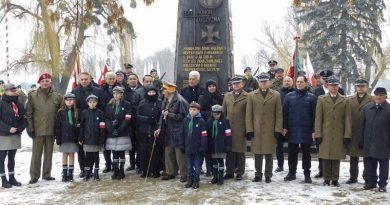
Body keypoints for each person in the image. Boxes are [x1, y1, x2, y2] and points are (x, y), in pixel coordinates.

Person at [246, 72, 283, 183]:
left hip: (270, 129)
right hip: (256, 129)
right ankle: (258, 174)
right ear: (258, 82)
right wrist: (249, 129)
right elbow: (249, 114)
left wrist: (278, 129)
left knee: (269, 153)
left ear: (269, 82)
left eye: (265, 81)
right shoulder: (251, 95)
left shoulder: (276, 95)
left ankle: (268, 174)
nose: (263, 83)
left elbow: (279, 114)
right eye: (261, 81)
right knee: (257, 153)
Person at [26, 73, 63, 184]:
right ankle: (34, 176)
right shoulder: (32, 96)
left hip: (51, 129)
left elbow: (60, 114)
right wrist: (30, 128)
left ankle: (47, 174)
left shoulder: (57, 96)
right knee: (36, 154)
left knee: (48, 153)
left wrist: (58, 129)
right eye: (43, 81)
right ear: (39, 83)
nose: (45, 83)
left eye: (47, 81)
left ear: (50, 82)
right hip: (38, 129)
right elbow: (29, 113)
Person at [315, 77, 351, 187]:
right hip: (325, 133)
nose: (334, 87)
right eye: (331, 85)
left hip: (339, 133)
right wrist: (318, 134)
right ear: (328, 86)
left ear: (338, 86)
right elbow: (318, 118)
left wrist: (347, 135)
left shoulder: (345, 100)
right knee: (325, 156)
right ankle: (326, 179)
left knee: (336, 157)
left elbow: (347, 119)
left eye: (335, 85)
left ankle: (335, 179)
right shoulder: (321, 99)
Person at [283, 76, 317, 183]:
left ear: (306, 83)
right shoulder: (289, 96)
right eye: (297, 82)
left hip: (306, 130)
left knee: (306, 154)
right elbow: (284, 113)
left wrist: (314, 130)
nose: (299, 84)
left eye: (301, 82)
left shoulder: (312, 98)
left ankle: (307, 174)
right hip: (292, 129)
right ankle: (291, 173)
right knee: (292, 153)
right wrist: (284, 127)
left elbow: (314, 116)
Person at [154, 82, 189, 182]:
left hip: (178, 131)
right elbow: (162, 115)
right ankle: (170, 172)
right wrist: (159, 127)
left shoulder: (180, 101)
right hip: (168, 130)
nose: (163, 92)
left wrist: (170, 114)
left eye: (164, 90)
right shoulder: (166, 99)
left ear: (170, 91)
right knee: (168, 152)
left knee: (179, 154)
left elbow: (183, 117)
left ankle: (184, 174)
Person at [313, 70, 345, 179]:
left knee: (336, 154)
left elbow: (345, 114)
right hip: (324, 128)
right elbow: (317, 114)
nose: (326, 81)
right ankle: (323, 173)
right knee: (323, 152)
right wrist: (316, 132)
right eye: (324, 79)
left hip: (337, 129)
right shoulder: (318, 93)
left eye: (328, 79)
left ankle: (334, 177)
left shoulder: (342, 94)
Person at [360, 87, 390, 192]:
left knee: (384, 166)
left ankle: (382, 184)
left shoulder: (389, 109)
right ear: (374, 96)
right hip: (369, 142)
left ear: (385, 96)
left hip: (384, 143)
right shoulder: (367, 108)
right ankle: (371, 183)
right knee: (369, 164)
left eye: (381, 95)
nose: (378, 97)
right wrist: (361, 140)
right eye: (377, 95)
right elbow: (362, 126)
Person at [71, 72, 101, 178]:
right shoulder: (74, 92)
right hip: (81, 124)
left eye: (86, 79)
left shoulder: (97, 90)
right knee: (81, 148)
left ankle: (92, 169)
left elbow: (100, 106)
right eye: (82, 79)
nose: (84, 81)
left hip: (94, 123)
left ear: (90, 79)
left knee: (92, 149)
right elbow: (72, 108)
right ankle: (83, 169)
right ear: (79, 80)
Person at [346, 79, 372, 185]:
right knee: (353, 156)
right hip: (353, 132)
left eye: (362, 86)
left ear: (366, 87)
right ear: (356, 87)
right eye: (358, 86)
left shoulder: (372, 99)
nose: (360, 88)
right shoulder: (349, 99)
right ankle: (353, 176)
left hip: (366, 132)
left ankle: (367, 177)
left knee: (367, 157)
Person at [0, 84, 26, 188]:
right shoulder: (1, 103)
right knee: (2, 158)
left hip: (15, 134)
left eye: (15, 90)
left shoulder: (18, 103)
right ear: (6, 91)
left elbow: (23, 117)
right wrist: (8, 128)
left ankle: (12, 178)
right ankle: (3, 179)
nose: (14, 91)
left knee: (12, 157)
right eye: (12, 90)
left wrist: (20, 128)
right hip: (3, 134)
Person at [222, 76, 248, 181]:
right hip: (228, 128)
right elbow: (223, 112)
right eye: (234, 84)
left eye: (238, 83)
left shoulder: (247, 96)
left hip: (241, 128)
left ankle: (239, 172)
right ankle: (229, 171)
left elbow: (248, 114)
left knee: (240, 151)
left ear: (242, 84)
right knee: (229, 151)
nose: (236, 85)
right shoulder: (227, 96)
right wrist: (222, 126)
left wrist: (248, 129)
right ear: (231, 85)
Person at [105, 86, 133, 180]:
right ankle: (116, 170)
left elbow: (127, 118)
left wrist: (119, 129)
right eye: (114, 93)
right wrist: (111, 129)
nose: (116, 95)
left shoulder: (127, 104)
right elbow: (107, 118)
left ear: (121, 94)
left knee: (121, 151)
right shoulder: (109, 104)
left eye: (118, 93)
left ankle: (121, 170)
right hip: (112, 131)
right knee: (114, 151)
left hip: (122, 131)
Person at [198, 79, 224, 176]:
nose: (212, 88)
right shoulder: (202, 97)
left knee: (216, 147)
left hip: (218, 124)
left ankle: (217, 168)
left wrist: (218, 115)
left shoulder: (220, 96)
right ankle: (209, 168)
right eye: (210, 86)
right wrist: (212, 113)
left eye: (213, 86)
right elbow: (200, 111)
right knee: (208, 148)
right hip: (207, 125)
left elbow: (223, 109)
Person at [136, 86, 163, 178]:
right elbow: (137, 116)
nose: (151, 94)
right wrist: (147, 119)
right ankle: (144, 170)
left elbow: (161, 116)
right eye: (149, 92)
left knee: (154, 151)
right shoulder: (142, 102)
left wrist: (156, 121)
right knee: (144, 151)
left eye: (153, 92)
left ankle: (155, 170)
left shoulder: (160, 102)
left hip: (155, 130)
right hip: (144, 130)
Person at [79, 94, 106, 181]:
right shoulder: (84, 113)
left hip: (96, 138)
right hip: (87, 138)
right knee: (88, 157)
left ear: (97, 103)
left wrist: (101, 138)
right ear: (87, 103)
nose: (92, 104)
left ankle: (96, 173)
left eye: (94, 102)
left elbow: (102, 126)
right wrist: (81, 137)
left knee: (96, 156)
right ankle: (87, 173)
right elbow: (82, 126)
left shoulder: (100, 113)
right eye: (90, 102)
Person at [181, 102, 207, 189]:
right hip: (188, 148)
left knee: (197, 166)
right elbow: (182, 134)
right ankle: (190, 180)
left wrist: (203, 146)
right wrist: (182, 145)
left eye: (194, 110)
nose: (192, 111)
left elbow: (204, 135)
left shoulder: (201, 121)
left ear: (198, 111)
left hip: (198, 148)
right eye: (190, 109)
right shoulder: (185, 120)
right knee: (189, 166)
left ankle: (196, 181)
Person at [55, 93, 79, 182]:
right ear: (64, 101)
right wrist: (58, 138)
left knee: (72, 154)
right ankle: (64, 173)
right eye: (67, 100)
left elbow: (78, 125)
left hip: (73, 137)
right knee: (65, 154)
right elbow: (58, 126)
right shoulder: (60, 112)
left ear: (74, 101)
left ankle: (70, 173)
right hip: (64, 137)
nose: (69, 102)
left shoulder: (76, 111)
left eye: (71, 100)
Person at [207, 104, 232, 185]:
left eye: (218, 114)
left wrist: (228, 145)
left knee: (220, 161)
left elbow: (228, 134)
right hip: (212, 146)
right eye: (214, 114)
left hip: (221, 145)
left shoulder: (225, 121)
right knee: (214, 162)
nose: (216, 116)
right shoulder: (209, 122)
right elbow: (207, 135)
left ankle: (220, 178)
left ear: (221, 113)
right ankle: (215, 177)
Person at [99, 71, 118, 173]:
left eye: (113, 78)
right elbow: (100, 103)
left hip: (116, 118)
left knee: (115, 142)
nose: (111, 80)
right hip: (105, 118)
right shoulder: (101, 90)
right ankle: (108, 164)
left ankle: (115, 164)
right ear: (105, 80)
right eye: (109, 78)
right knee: (106, 144)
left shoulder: (120, 89)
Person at [274, 76, 294, 173]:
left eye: (288, 81)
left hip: (292, 124)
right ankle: (280, 165)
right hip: (280, 124)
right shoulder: (277, 94)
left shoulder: (295, 93)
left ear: (292, 82)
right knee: (279, 146)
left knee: (292, 147)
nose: (286, 82)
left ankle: (291, 166)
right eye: (285, 81)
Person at [123, 73, 142, 172]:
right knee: (131, 144)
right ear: (127, 81)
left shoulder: (142, 90)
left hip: (139, 121)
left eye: (134, 78)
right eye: (130, 79)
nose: (132, 80)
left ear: (137, 79)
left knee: (139, 144)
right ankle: (132, 164)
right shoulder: (124, 91)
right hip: (129, 122)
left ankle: (139, 164)